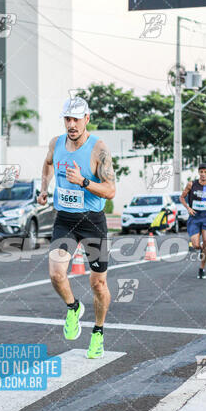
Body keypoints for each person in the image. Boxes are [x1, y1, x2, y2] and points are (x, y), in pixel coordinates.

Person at [37, 96, 116, 358]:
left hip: (92, 221)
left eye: (76, 119)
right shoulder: (56, 143)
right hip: (66, 220)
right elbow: (47, 163)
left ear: (87, 119)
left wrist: (83, 182)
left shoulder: (99, 149)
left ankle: (98, 333)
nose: (71, 124)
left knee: (98, 284)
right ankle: (73, 308)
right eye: (67, 119)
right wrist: (44, 189)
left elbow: (110, 190)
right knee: (56, 273)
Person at [180, 163, 206, 279]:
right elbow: (181, 197)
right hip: (194, 217)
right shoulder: (191, 184)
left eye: (205, 172)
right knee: (196, 245)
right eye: (201, 172)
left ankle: (202, 269)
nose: (203, 174)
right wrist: (188, 208)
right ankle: (201, 249)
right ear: (199, 172)